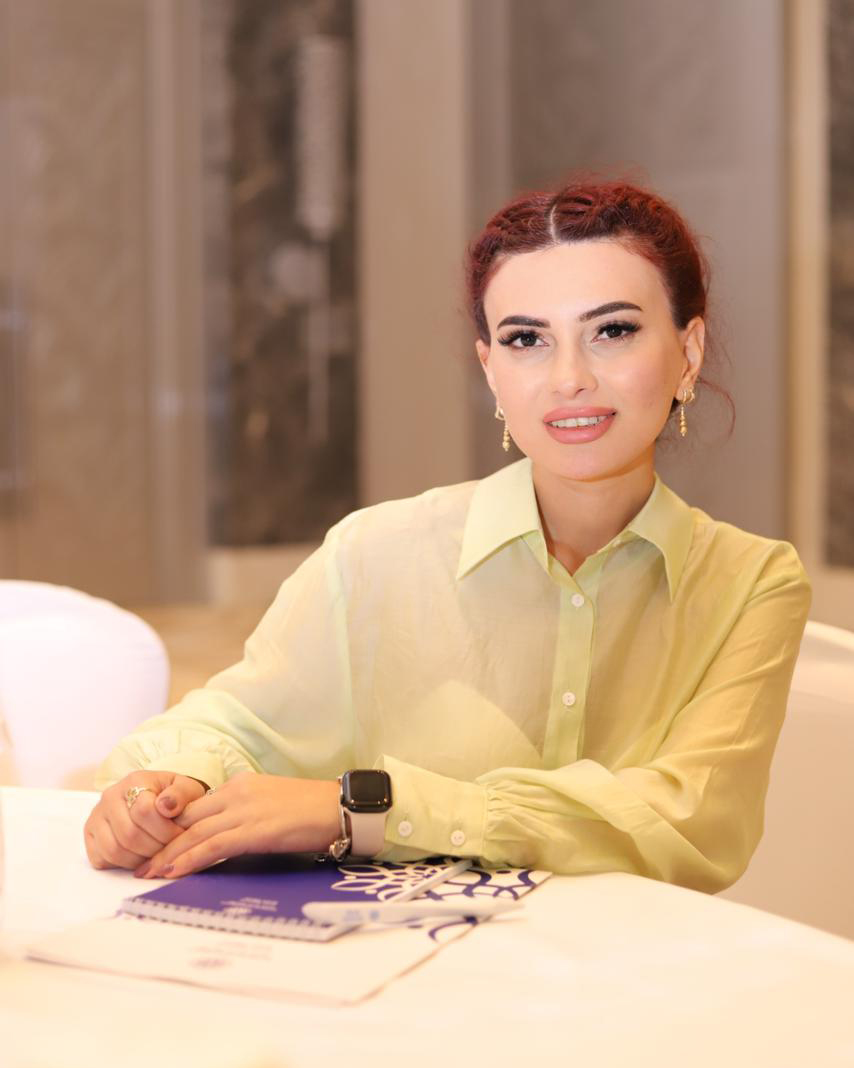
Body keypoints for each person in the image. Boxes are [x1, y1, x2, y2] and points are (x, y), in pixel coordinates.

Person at [84, 176, 811, 893]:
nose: (568, 378)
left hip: (629, 964)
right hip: (395, 959)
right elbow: (231, 726)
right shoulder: (374, 553)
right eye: (526, 339)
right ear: (490, 369)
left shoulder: (752, 583)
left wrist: (372, 809)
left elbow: (687, 822)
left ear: (688, 351)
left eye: (611, 331)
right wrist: (161, 791)